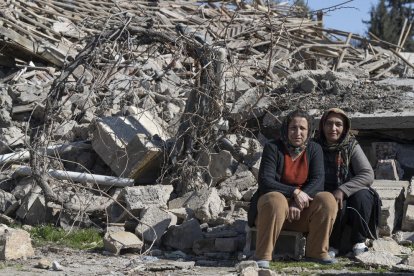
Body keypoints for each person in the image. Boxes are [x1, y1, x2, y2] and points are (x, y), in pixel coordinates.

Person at [247, 109, 338, 269]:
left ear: (309, 131)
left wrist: (298, 202)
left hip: (299, 214)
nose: (297, 132)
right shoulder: (273, 147)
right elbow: (266, 181)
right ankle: (263, 256)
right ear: (286, 129)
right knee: (276, 199)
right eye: (293, 128)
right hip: (271, 213)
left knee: (327, 199)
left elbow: (318, 181)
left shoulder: (314, 149)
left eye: (302, 128)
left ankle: (317, 252)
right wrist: (294, 192)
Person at [316, 108, 380, 257]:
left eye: (338, 124)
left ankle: (359, 241)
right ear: (322, 126)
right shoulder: (314, 146)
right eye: (329, 124)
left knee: (364, 196)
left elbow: (367, 174)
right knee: (333, 202)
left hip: (349, 190)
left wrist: (343, 190)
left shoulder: (351, 146)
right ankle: (332, 245)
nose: (333, 128)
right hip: (323, 190)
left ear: (344, 127)